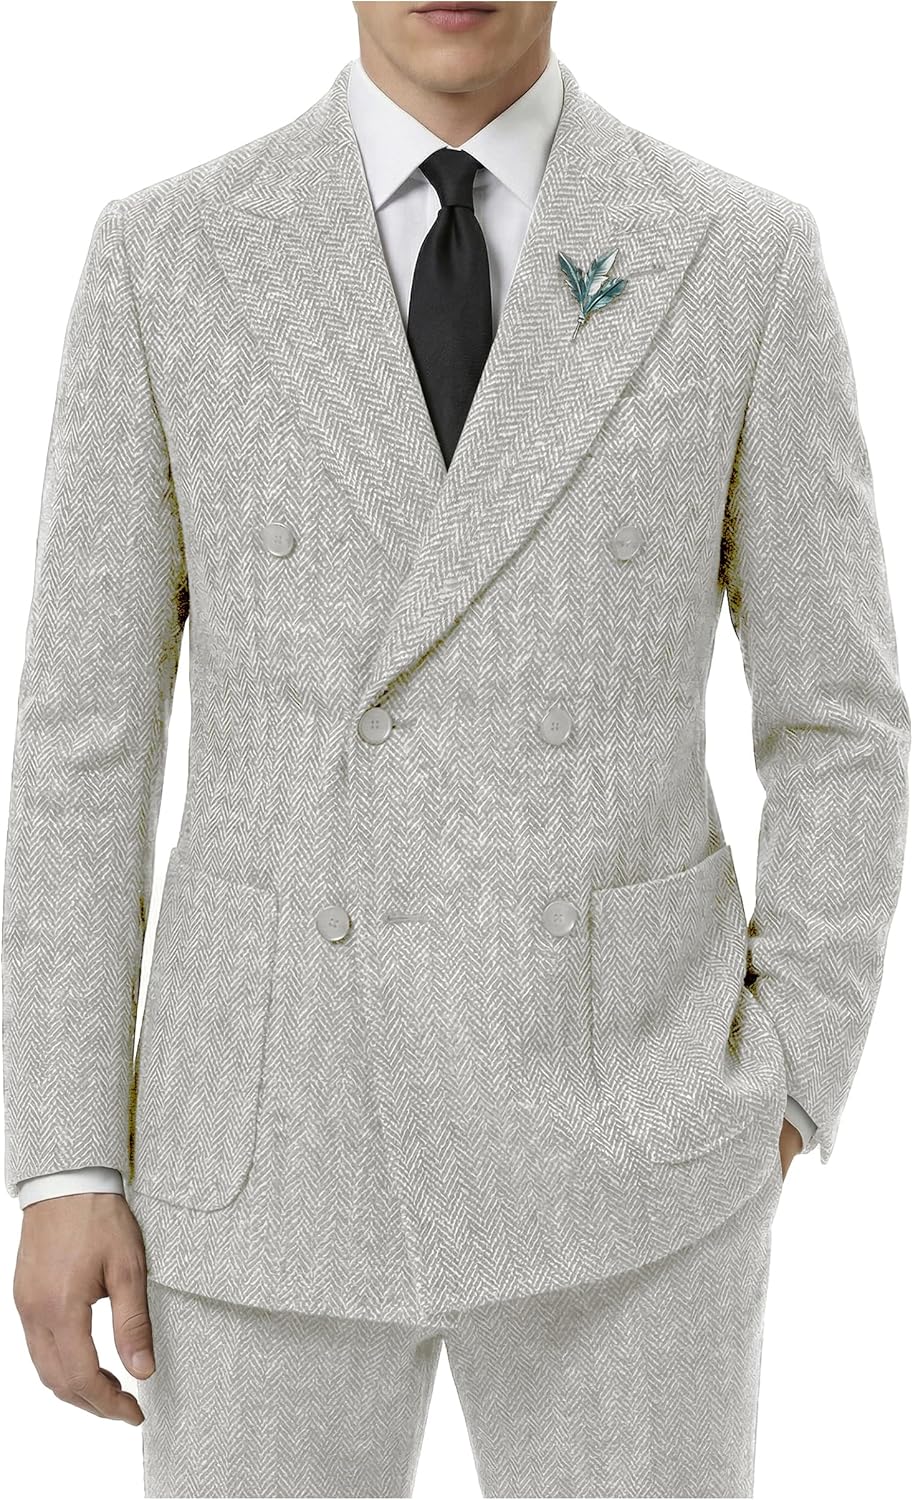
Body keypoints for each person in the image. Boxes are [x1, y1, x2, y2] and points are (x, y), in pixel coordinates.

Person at [3, 3, 908, 1496]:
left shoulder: (734, 254)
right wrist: (65, 1159)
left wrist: (791, 1073)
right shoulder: (169, 255)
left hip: (635, 1147)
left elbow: (840, 717)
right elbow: (80, 745)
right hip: (265, 1141)